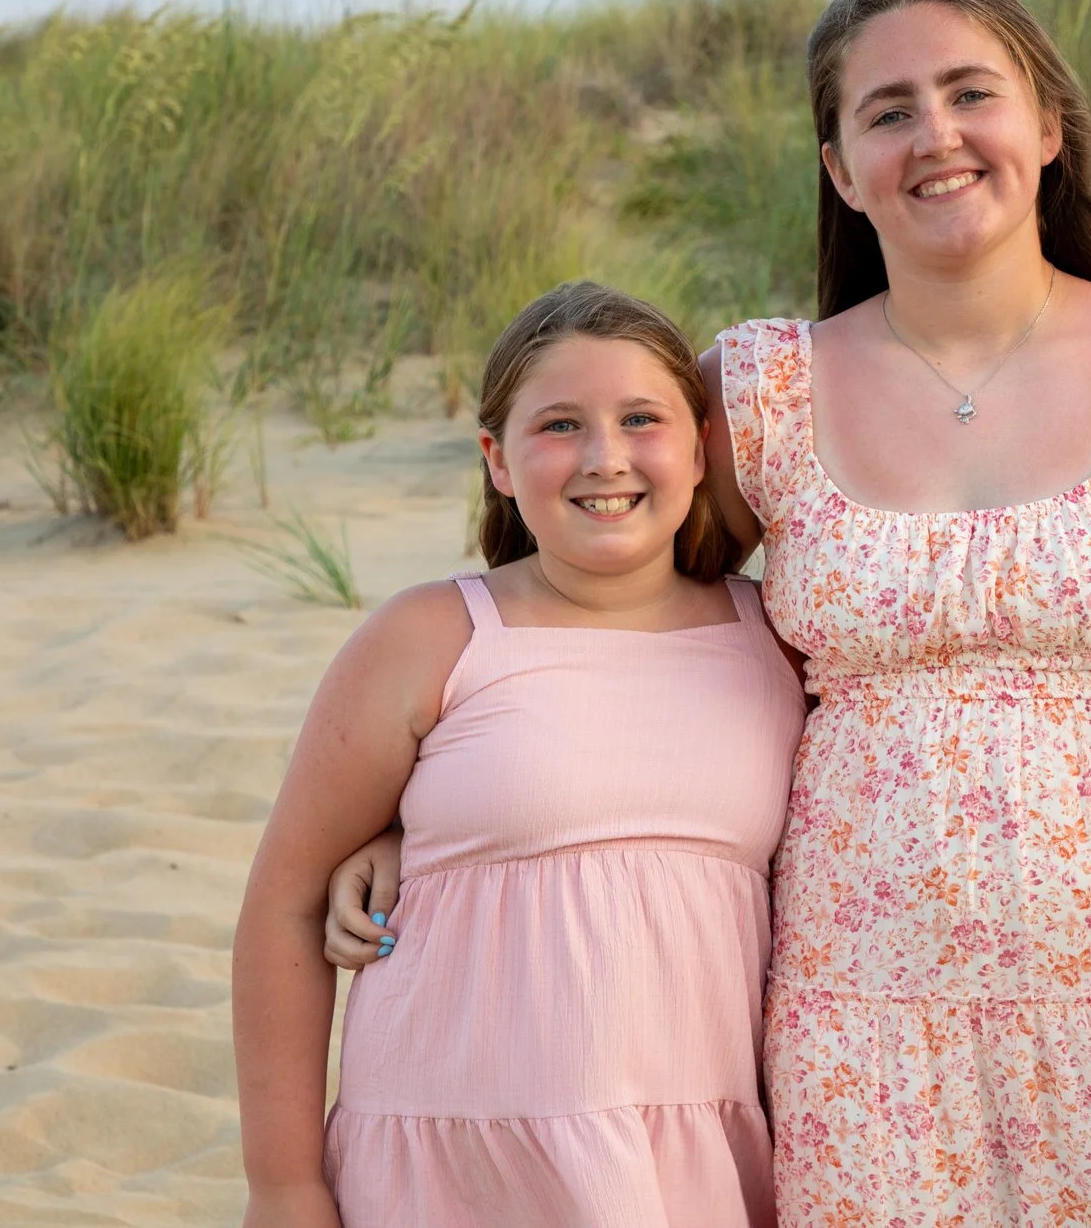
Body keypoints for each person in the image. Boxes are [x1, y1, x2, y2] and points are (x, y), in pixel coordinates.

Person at [326, 0, 1091, 1222]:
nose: (934, 136)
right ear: (840, 167)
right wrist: (441, 813)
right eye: (887, 111)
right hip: (856, 1013)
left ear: (1049, 127)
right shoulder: (764, 394)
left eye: (970, 94)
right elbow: (625, 629)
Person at [232, 281, 806, 1228]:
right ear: (497, 461)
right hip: (454, 1158)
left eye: (640, 419)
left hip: (686, 1159)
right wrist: (282, 1186)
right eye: (560, 427)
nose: (604, 458)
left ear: (700, 448)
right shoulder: (435, 637)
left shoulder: (775, 640)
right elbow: (284, 903)